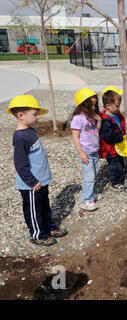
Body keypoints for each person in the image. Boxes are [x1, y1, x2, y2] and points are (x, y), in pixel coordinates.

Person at [9, 95, 67, 247]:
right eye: (35, 114)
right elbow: (20, 164)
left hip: (40, 180)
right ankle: (38, 235)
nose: (38, 117)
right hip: (31, 184)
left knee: (44, 205)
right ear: (21, 116)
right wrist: (32, 181)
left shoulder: (31, 130)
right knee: (34, 210)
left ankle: (50, 227)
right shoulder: (20, 137)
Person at [71, 88, 102, 211]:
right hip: (86, 152)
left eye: (95, 104)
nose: (94, 107)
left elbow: (96, 131)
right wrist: (81, 153)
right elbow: (75, 137)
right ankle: (86, 201)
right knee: (89, 176)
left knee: (95, 173)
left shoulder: (90, 117)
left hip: (94, 151)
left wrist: (99, 120)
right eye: (92, 105)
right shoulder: (78, 118)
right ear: (84, 105)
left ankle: (93, 192)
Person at [99, 86, 126, 192]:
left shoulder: (116, 114)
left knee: (120, 163)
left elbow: (122, 125)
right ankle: (115, 183)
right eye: (117, 106)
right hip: (110, 149)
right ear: (108, 106)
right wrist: (121, 137)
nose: (119, 108)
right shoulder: (105, 120)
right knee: (115, 166)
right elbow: (109, 137)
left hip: (119, 147)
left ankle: (121, 179)